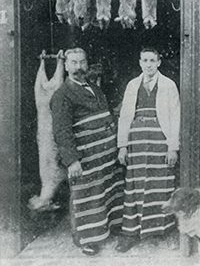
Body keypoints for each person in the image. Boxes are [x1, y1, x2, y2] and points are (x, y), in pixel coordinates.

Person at [50, 48, 125, 255]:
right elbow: (61, 131)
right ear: (65, 66)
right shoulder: (62, 95)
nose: (79, 67)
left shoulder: (94, 88)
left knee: (106, 192)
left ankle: (106, 229)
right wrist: (72, 161)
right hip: (86, 158)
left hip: (105, 156)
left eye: (82, 62)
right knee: (85, 196)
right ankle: (85, 240)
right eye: (73, 63)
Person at [115, 47, 180, 253]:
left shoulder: (169, 85)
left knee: (159, 184)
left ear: (159, 62)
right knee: (135, 185)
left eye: (153, 60)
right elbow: (125, 116)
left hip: (160, 139)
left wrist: (172, 147)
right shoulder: (132, 85)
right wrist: (122, 146)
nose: (149, 64)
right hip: (137, 140)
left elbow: (175, 117)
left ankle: (162, 230)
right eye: (145, 60)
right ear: (140, 62)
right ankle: (131, 233)